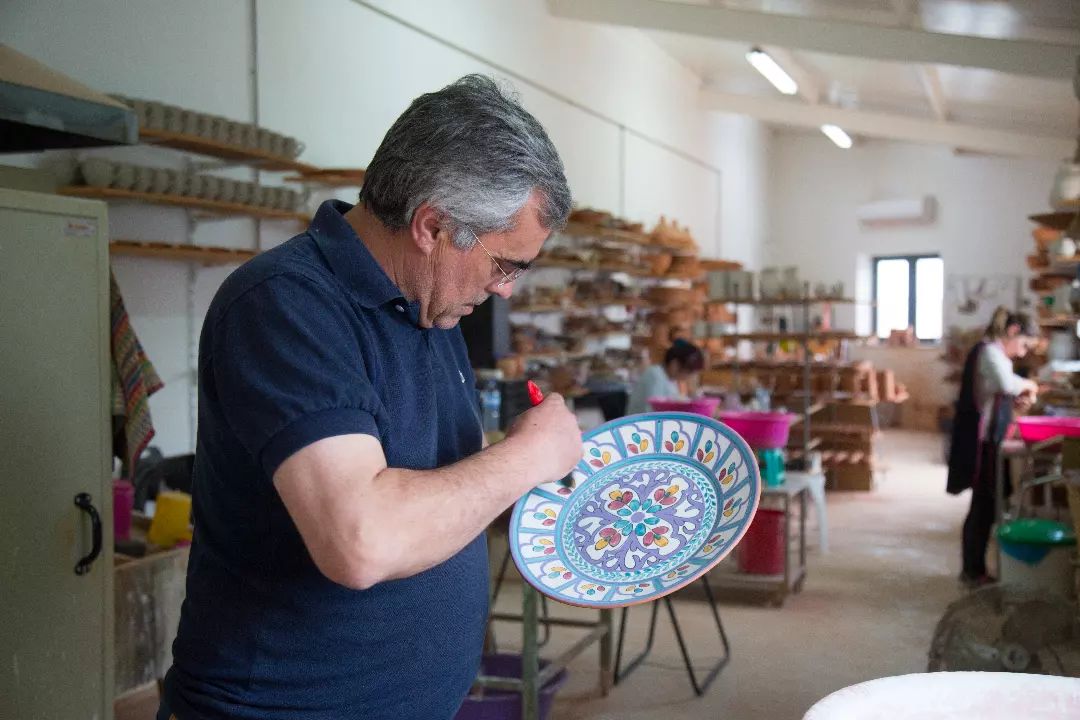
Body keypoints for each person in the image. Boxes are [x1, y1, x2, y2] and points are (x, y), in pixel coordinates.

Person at [157, 76, 582, 720]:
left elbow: (433, 483)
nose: (508, 290)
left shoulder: (430, 306)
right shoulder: (283, 305)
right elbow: (362, 540)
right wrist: (526, 456)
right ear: (432, 227)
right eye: (506, 264)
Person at [946, 307, 1039, 588]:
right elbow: (1005, 383)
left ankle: (975, 569)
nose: (1022, 353)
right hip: (982, 442)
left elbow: (1002, 392)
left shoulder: (996, 354)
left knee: (987, 504)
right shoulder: (989, 352)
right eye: (1023, 344)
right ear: (1012, 332)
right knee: (982, 506)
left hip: (990, 439)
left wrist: (1018, 399)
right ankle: (973, 571)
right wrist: (1028, 384)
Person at [626, 339, 705, 415]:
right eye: (689, 372)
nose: (689, 377)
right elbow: (653, 411)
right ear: (675, 365)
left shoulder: (670, 379)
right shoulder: (655, 376)